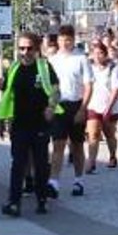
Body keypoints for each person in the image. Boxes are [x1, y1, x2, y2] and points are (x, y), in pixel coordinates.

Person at [0, 31, 59, 217]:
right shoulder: (14, 68)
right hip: (19, 124)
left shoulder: (44, 67)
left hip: (40, 123)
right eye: (21, 48)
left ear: (37, 48)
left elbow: (56, 90)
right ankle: (14, 202)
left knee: (41, 163)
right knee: (18, 164)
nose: (25, 52)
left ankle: (42, 199)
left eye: (29, 48)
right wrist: (2, 119)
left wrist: (51, 106)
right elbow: (6, 94)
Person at [47, 25, 93, 198]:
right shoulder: (52, 60)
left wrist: (83, 108)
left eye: (68, 39)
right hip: (58, 105)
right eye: (61, 39)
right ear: (57, 40)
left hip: (76, 104)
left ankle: (78, 180)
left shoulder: (81, 58)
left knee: (77, 145)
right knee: (58, 144)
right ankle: (54, 182)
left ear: (73, 40)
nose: (65, 43)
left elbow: (89, 85)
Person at [85, 42, 118, 172]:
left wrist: (108, 108)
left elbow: (116, 89)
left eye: (100, 53)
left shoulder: (114, 68)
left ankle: (112, 155)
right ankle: (91, 162)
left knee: (109, 134)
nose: (97, 56)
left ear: (105, 54)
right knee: (93, 134)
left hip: (110, 106)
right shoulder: (88, 67)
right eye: (95, 53)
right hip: (93, 105)